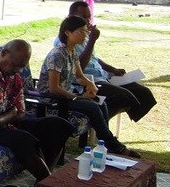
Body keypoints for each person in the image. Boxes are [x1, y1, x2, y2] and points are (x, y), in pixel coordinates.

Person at [0, 39, 75, 182]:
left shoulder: (14, 76)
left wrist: (9, 115)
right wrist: (11, 112)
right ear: (3, 53)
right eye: (15, 65)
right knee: (23, 139)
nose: (17, 70)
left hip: (4, 125)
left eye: (21, 67)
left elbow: (21, 112)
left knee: (59, 126)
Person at [38, 15, 141, 158]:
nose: (85, 35)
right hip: (52, 98)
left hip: (66, 95)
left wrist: (90, 84)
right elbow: (53, 89)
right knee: (91, 106)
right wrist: (77, 97)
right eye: (81, 31)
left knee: (101, 102)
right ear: (68, 32)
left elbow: (80, 76)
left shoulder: (71, 51)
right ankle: (114, 146)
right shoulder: (58, 54)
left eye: (86, 31)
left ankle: (106, 143)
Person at [69, 0, 156, 121]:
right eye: (84, 17)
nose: (88, 21)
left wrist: (112, 69)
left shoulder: (85, 35)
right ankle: (99, 127)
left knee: (144, 93)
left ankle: (101, 122)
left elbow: (93, 58)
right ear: (71, 18)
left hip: (104, 77)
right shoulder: (67, 40)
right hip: (88, 82)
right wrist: (92, 41)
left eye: (89, 17)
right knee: (125, 97)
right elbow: (79, 68)